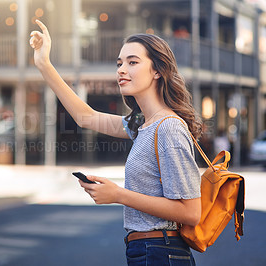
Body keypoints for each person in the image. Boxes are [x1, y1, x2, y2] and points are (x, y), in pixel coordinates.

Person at [30, 20, 202, 266]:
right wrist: (44, 64)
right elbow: (85, 117)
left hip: (160, 252)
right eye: (119, 63)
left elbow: (191, 212)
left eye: (133, 62)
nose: (122, 69)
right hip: (146, 250)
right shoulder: (144, 125)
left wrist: (118, 194)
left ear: (157, 70)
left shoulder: (169, 128)